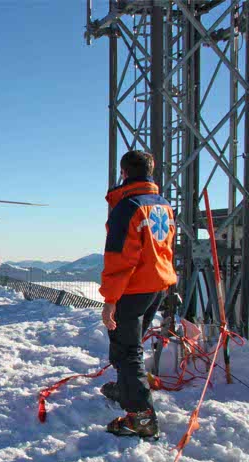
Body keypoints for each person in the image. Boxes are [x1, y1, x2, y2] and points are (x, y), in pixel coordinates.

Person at [99, 150, 177, 439]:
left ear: (124, 173)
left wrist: (110, 300)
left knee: (126, 349)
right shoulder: (163, 206)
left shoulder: (127, 207)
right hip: (156, 285)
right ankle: (127, 389)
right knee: (129, 345)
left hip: (133, 289)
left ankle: (141, 418)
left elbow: (119, 259)